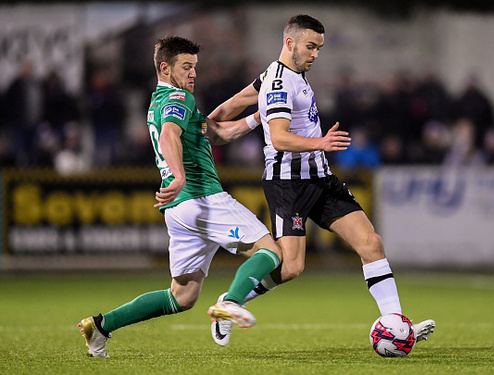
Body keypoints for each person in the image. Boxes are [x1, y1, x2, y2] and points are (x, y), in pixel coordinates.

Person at [209, 14, 435, 347]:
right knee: (291, 267)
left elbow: (222, 113)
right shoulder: (278, 83)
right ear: (290, 43)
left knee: (371, 244)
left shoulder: (280, 76)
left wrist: (225, 120)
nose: (315, 54)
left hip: (321, 178)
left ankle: (396, 325)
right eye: (310, 46)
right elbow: (281, 138)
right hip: (289, 184)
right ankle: (232, 301)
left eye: (319, 48)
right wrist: (320, 143)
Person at [78, 36, 283, 357]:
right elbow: (169, 134)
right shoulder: (178, 98)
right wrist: (178, 174)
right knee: (270, 251)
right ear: (165, 68)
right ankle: (229, 303)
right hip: (202, 198)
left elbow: (218, 133)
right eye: (186, 67)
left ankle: (101, 325)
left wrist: (260, 115)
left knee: (182, 296)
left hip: (178, 211)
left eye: (195, 67)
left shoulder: (160, 100)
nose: (193, 74)